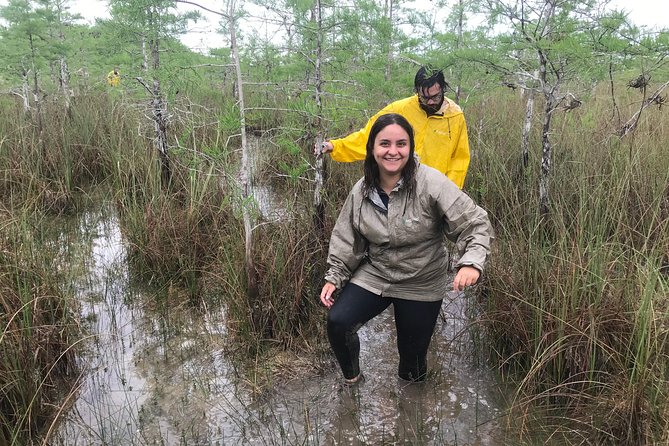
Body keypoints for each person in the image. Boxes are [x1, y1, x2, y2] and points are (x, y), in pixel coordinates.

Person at [320, 113, 492, 384]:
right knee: (338, 322)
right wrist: (335, 275)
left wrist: (471, 261)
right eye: (384, 144)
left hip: (422, 279)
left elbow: (475, 223)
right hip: (378, 272)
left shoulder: (431, 183)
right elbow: (347, 238)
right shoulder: (361, 190)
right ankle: (352, 383)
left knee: (411, 370)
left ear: (410, 148)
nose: (393, 151)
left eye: (401, 144)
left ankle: (412, 414)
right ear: (372, 149)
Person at [318, 66, 470, 189]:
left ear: (443, 89)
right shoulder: (400, 109)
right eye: (424, 98)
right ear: (417, 92)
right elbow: (369, 137)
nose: (430, 102)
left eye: (435, 97)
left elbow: (460, 159)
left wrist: (450, 191)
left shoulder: (455, 116)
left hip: (434, 190)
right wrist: (335, 146)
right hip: (399, 187)